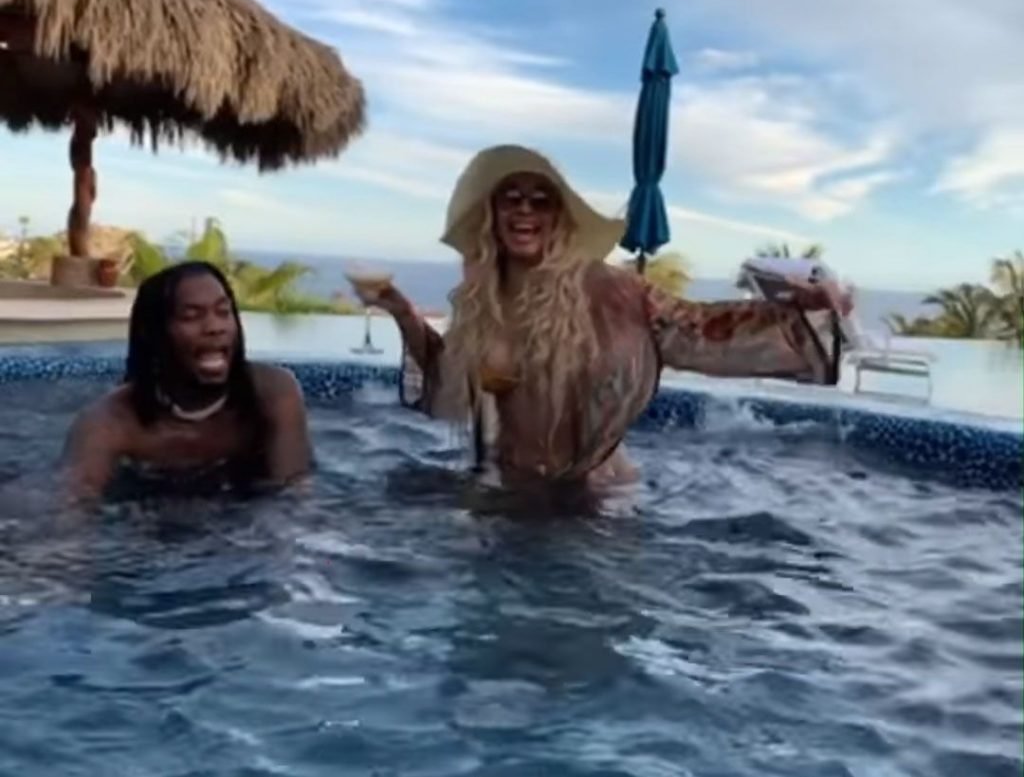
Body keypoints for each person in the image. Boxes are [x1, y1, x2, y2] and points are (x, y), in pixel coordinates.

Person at [354, 145, 849, 491]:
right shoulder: (482, 301)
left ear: (558, 218)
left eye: (540, 200)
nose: (525, 210)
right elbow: (447, 387)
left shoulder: (613, 292)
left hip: (595, 497)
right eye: (512, 197)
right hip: (507, 493)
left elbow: (700, 329)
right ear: (494, 212)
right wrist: (402, 311)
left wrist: (802, 313)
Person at [63, 261, 311, 503]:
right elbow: (72, 510)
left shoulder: (273, 393)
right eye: (191, 316)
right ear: (154, 335)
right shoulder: (110, 424)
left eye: (224, 312)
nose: (215, 327)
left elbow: (293, 499)